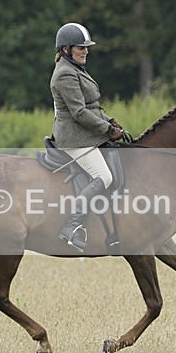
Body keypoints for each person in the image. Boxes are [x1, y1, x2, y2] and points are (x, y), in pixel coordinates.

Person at [50, 22, 126, 251]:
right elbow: (79, 112)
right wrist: (106, 129)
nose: (85, 51)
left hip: (86, 134)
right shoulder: (64, 74)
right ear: (66, 50)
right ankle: (72, 226)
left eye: (86, 47)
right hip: (74, 138)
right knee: (104, 176)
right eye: (80, 47)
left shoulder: (76, 69)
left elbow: (92, 106)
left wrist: (109, 121)